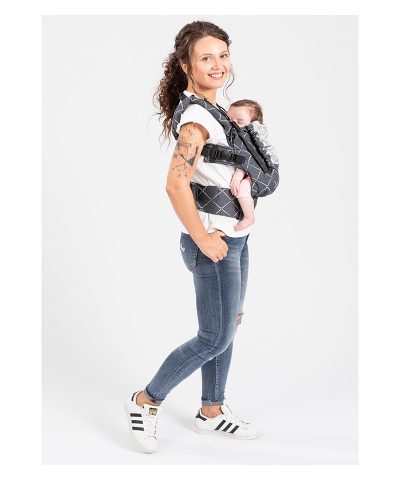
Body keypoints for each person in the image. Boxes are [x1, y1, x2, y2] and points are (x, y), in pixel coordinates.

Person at [124, 20, 258, 454]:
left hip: (234, 239)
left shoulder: (217, 111)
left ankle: (211, 411)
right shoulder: (198, 118)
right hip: (213, 243)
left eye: (223, 55)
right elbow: (175, 183)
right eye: (206, 57)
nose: (218, 64)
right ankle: (146, 400)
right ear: (186, 65)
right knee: (213, 337)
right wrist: (202, 239)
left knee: (226, 327)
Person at [227, 99, 271, 231]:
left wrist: (237, 177)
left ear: (253, 125)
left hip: (259, 172)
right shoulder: (234, 136)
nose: (233, 124)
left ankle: (249, 217)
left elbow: (247, 158)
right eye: (229, 120)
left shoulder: (249, 138)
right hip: (250, 171)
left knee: (243, 188)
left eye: (239, 122)